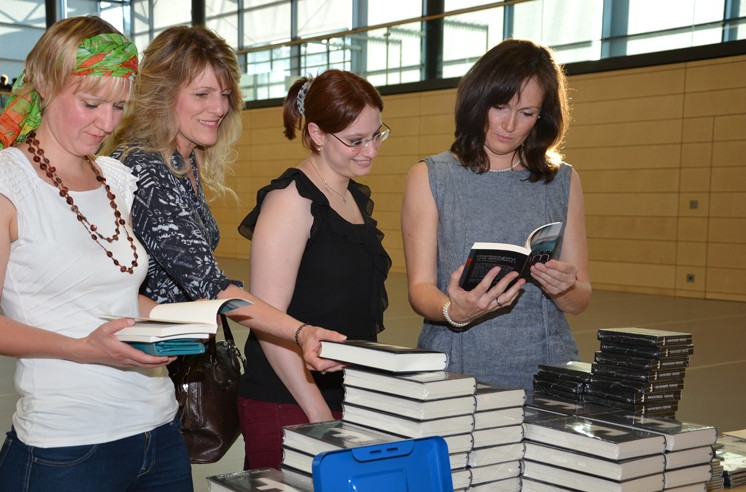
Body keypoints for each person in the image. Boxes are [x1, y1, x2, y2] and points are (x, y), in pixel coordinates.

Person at [0, 15, 189, 492]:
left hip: (160, 434)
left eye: (119, 106)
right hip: (69, 448)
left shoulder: (116, 179)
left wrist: (172, 319)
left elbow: (114, 292)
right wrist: (84, 349)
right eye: (91, 102)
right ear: (47, 86)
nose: (106, 122)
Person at [109, 26, 344, 381]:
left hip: (171, 360)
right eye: (202, 94)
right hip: (140, 369)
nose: (219, 108)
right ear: (162, 95)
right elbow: (210, 285)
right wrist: (300, 332)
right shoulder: (145, 168)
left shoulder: (181, 161)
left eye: (224, 94)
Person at [401, 38, 591, 396]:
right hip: (457, 368)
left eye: (527, 114)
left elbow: (580, 299)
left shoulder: (562, 180)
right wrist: (455, 310)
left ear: (541, 117)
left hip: (546, 369)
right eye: (500, 107)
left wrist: (562, 285)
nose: (509, 125)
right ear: (478, 101)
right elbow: (420, 289)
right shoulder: (431, 176)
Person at [236, 70, 392, 469]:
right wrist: (318, 412)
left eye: (377, 135)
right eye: (355, 141)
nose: (370, 151)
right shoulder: (291, 201)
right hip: (290, 401)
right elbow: (266, 320)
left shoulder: (352, 196)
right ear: (318, 134)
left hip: (345, 397)